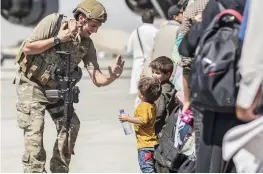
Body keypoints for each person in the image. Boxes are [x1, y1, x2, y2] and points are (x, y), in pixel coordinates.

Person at [14, 0, 125, 172]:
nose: (95, 31)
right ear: (81, 18)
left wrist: (113, 75)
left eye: (98, 27)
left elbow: (97, 79)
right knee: (35, 131)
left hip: (55, 89)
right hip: (32, 85)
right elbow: (28, 48)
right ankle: (34, 170)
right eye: (93, 25)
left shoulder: (86, 45)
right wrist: (59, 39)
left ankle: (59, 168)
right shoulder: (54, 22)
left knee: (71, 124)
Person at [119, 76, 162, 173]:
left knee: (146, 169)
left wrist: (127, 118)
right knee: (152, 168)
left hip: (145, 145)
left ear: (142, 95)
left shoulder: (144, 106)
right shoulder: (152, 104)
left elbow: (143, 120)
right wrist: (132, 118)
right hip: (152, 143)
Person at [148, 56, 177, 172]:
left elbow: (158, 114)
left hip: (159, 132)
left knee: (157, 163)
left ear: (168, 74)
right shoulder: (171, 87)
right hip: (168, 131)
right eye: (153, 72)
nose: (154, 75)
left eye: (158, 73)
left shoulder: (160, 92)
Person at [126, 9, 158, 107]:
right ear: (153, 19)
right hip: (152, 63)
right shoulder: (156, 31)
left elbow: (129, 49)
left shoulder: (135, 32)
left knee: (139, 92)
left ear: (142, 19)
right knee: (151, 91)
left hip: (138, 63)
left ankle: (138, 115)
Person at [142, 5, 182, 77]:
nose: (184, 15)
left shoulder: (160, 30)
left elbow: (152, 51)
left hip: (158, 70)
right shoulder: (179, 30)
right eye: (182, 14)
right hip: (171, 71)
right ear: (175, 17)